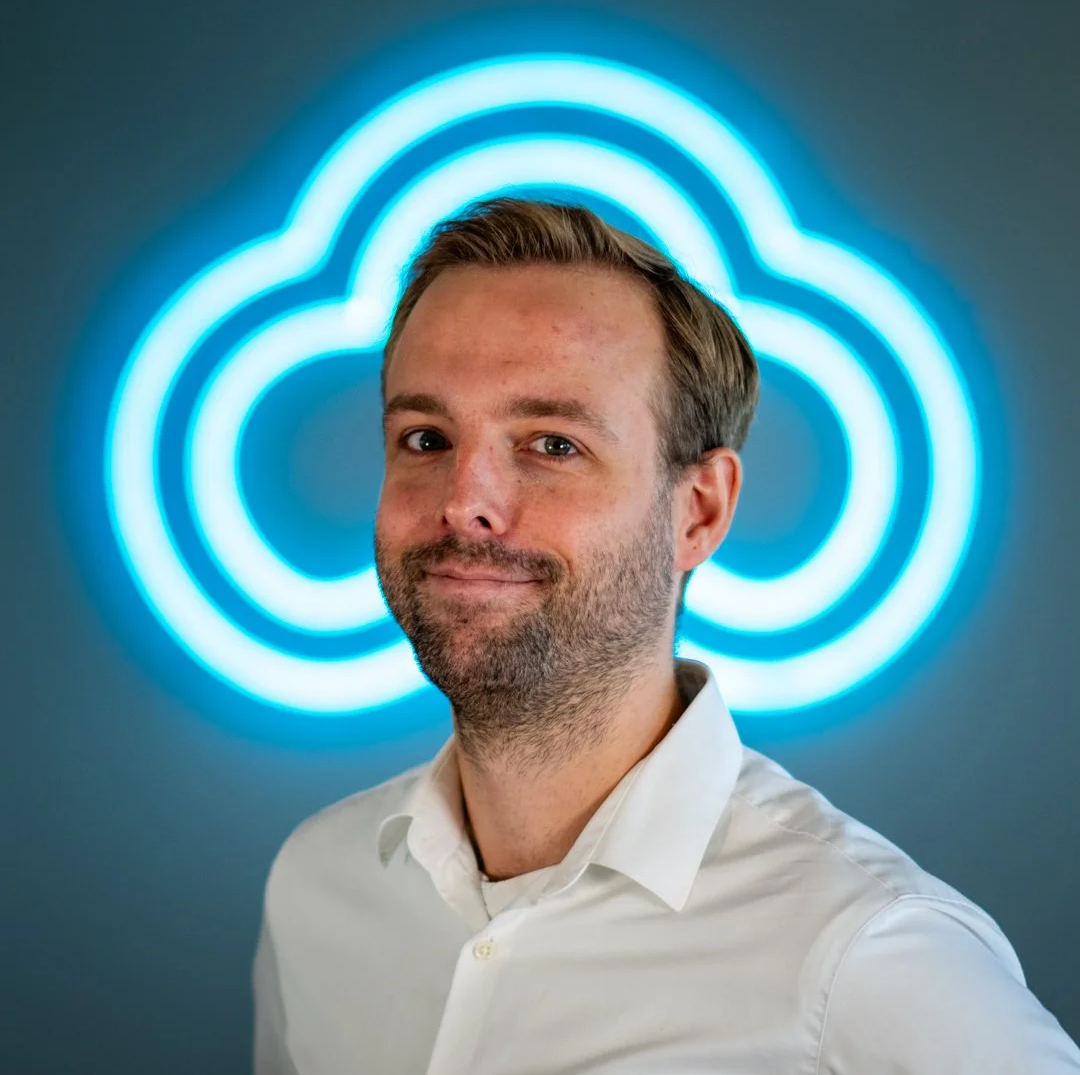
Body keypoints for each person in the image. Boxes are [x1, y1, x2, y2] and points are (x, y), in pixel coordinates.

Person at [252, 197, 1080, 1074]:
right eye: (425, 438)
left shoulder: (865, 955)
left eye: (552, 445)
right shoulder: (318, 887)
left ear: (700, 511)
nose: (465, 503)